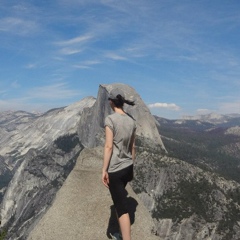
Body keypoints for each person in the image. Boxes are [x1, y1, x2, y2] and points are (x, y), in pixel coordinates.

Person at [102, 88, 136, 240]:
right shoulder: (131, 121)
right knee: (119, 201)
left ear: (111, 102)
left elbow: (108, 146)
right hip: (127, 167)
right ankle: (121, 234)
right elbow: (133, 147)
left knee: (122, 209)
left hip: (115, 169)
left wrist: (104, 170)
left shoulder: (111, 119)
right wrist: (131, 164)